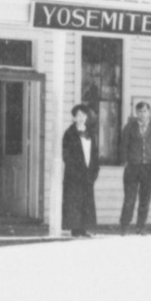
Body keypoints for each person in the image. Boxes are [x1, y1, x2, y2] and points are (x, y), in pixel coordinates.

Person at [118, 98, 151, 232]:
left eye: (145, 111)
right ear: (136, 113)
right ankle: (124, 226)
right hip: (133, 167)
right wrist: (125, 162)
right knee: (129, 199)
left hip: (149, 168)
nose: (142, 114)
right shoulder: (129, 128)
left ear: (149, 112)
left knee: (145, 199)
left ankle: (140, 226)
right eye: (139, 111)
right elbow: (123, 146)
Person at [61, 102, 100, 237]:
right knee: (74, 201)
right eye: (78, 115)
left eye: (84, 115)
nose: (81, 118)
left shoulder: (91, 133)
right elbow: (66, 155)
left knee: (86, 201)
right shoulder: (69, 133)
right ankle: (75, 229)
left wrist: (94, 172)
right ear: (74, 118)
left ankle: (84, 228)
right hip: (74, 175)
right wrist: (75, 171)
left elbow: (94, 154)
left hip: (88, 173)